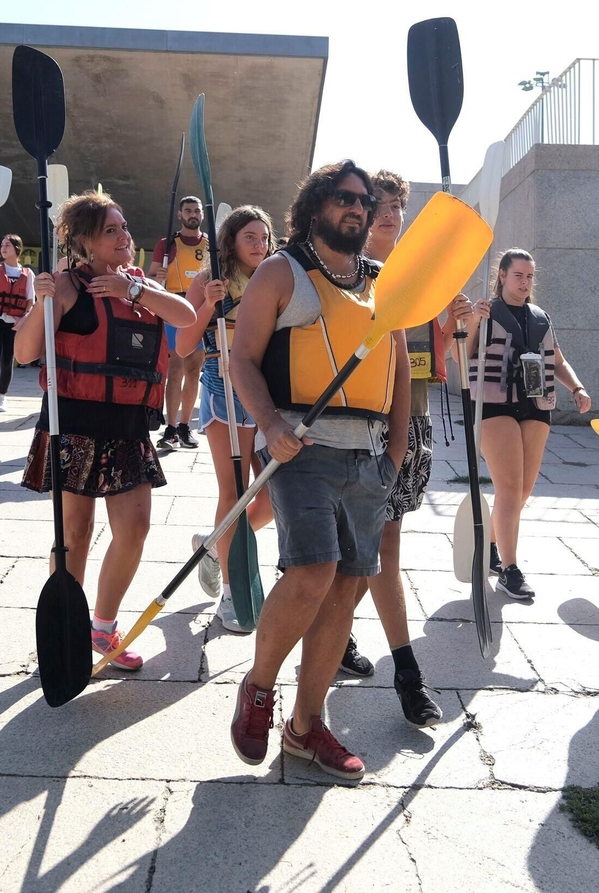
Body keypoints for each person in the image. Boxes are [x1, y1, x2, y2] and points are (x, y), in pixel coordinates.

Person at [225, 160, 409, 782]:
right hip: (300, 449)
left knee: (346, 588)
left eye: (364, 199)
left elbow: (400, 375)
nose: (357, 207)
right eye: (344, 198)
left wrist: (395, 455)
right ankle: (258, 687)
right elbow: (241, 362)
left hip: (369, 456)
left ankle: (306, 728)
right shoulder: (282, 271)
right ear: (314, 206)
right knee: (312, 572)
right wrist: (271, 427)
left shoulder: (385, 283)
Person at [14, 189, 196, 671]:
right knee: (75, 531)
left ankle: (102, 626)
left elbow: (186, 318)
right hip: (74, 422)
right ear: (86, 244)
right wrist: (42, 300)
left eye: (124, 227)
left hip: (128, 425)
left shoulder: (139, 283)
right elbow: (25, 352)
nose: (123, 237)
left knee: (135, 528)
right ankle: (67, 627)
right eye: (110, 231)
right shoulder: (68, 286)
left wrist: (132, 291)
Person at [335, 169, 470, 728]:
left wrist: (455, 323)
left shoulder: (426, 278)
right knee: (379, 552)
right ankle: (407, 673)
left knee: (365, 554)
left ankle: (335, 635)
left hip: (411, 421)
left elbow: (448, 359)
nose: (389, 214)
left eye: (397, 205)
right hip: (360, 427)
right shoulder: (347, 273)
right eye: (380, 204)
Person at [463, 249, 593, 601]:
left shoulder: (540, 317)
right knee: (508, 488)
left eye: (530, 276)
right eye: (518, 275)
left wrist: (577, 387)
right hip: (493, 403)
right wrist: (474, 319)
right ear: (502, 275)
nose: (524, 282)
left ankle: (490, 547)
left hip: (535, 404)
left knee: (522, 491)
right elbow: (464, 352)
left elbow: (558, 361)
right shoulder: (486, 312)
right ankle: (510, 568)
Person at [172, 205, 277, 633]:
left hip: (269, 393)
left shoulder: (278, 276)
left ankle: (212, 548)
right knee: (233, 493)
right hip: (223, 387)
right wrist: (207, 306)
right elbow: (183, 345)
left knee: (273, 500)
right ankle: (232, 595)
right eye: (249, 236)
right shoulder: (207, 280)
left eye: (264, 237)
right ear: (231, 240)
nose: (259, 245)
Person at [150, 196, 208, 451]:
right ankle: (171, 428)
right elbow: (150, 278)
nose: (193, 214)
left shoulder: (210, 244)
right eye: (188, 210)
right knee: (175, 370)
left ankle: (185, 426)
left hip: (201, 309)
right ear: (180, 215)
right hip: (175, 308)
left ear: (202, 215)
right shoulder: (167, 244)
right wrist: (157, 275)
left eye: (196, 210)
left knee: (194, 370)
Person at [0, 234, 35, 412]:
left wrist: (24, 320)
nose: (3, 248)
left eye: (8, 245)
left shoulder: (27, 274)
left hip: (15, 322)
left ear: (17, 249)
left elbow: (29, 302)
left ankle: (3, 396)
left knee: (8, 359)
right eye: (2, 245)